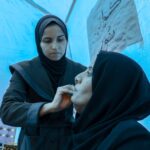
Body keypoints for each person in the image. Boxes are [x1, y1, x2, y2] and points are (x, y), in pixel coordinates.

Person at [0, 14, 86, 150]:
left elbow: (91, 108)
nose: (54, 46)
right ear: (38, 43)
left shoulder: (80, 71)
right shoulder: (24, 71)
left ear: (67, 40)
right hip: (34, 143)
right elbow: (7, 111)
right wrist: (48, 107)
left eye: (60, 40)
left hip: (68, 142)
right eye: (47, 40)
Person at [70, 51, 150, 150]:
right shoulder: (84, 134)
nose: (77, 77)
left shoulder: (133, 139)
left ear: (110, 87)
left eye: (90, 73)